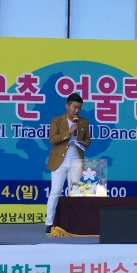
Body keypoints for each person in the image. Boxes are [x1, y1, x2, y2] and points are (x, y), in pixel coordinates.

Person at [45, 93, 91, 233]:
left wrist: (84, 143)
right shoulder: (57, 120)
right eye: (74, 107)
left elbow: (88, 140)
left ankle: (74, 223)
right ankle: (50, 223)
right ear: (67, 106)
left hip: (76, 160)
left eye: (79, 108)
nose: (77, 110)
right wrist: (68, 132)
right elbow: (52, 139)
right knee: (56, 191)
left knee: (75, 193)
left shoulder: (83, 122)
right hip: (60, 160)